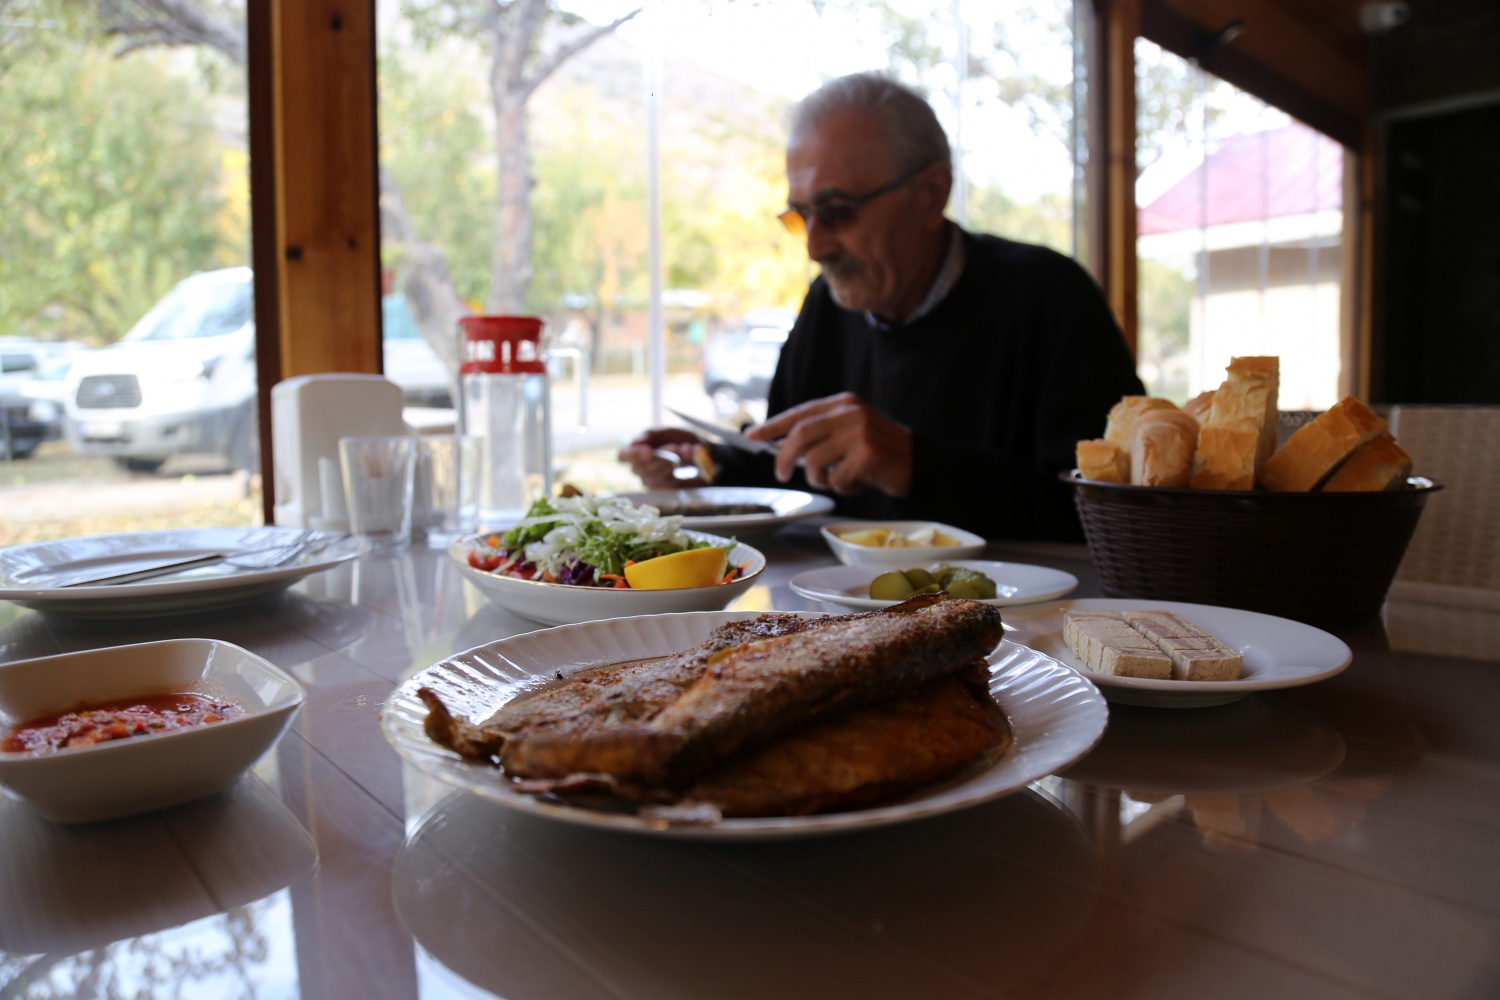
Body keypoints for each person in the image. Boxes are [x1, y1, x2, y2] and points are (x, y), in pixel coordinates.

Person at [620, 72, 1144, 541]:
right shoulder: (828, 304)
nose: (815, 247)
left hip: (1021, 629)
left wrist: (914, 464)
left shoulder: (1049, 297)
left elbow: (1114, 515)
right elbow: (791, 471)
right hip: (836, 612)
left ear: (930, 193)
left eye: (837, 211)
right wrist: (706, 465)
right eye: (802, 215)